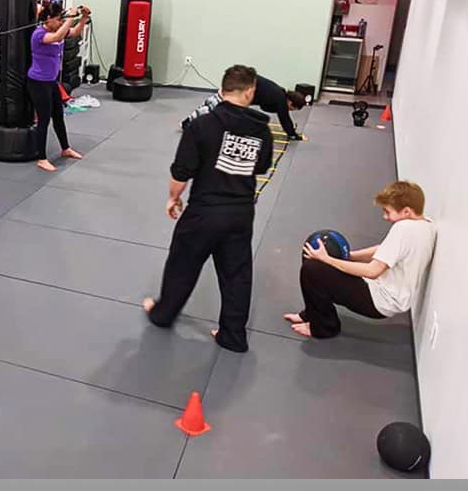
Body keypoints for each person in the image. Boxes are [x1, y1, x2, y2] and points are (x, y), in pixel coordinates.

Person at [142, 65, 273, 353]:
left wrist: (172, 198)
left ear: (223, 89)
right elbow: (262, 166)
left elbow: (182, 170)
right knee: (237, 274)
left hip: (204, 211)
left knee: (182, 264)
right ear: (250, 91)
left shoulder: (202, 125)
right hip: (240, 213)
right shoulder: (261, 130)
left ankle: (163, 314)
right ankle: (232, 335)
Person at [286, 181, 437, 339]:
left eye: (387, 212)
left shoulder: (403, 229)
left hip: (380, 300)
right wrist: (350, 255)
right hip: (388, 294)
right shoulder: (426, 225)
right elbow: (382, 248)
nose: (385, 217)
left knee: (312, 268)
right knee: (318, 266)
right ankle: (311, 314)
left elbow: (372, 271)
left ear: (406, 211)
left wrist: (327, 259)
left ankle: (323, 328)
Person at [27, 2, 90, 172]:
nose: (61, 23)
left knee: (59, 116)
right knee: (44, 119)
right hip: (37, 83)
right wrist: (70, 17)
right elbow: (56, 38)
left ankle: (65, 148)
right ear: (48, 19)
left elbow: (75, 32)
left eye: (62, 20)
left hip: (51, 82)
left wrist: (83, 17)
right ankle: (41, 158)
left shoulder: (58, 30)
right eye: (58, 20)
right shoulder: (38, 34)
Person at [181, 74, 308, 140]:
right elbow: (284, 119)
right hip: (240, 88)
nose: (290, 110)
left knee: (212, 103)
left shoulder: (279, 93)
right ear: (291, 103)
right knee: (213, 106)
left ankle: (188, 121)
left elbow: (265, 107)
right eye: (293, 108)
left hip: (240, 83)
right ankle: (189, 123)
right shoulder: (280, 100)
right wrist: (293, 135)